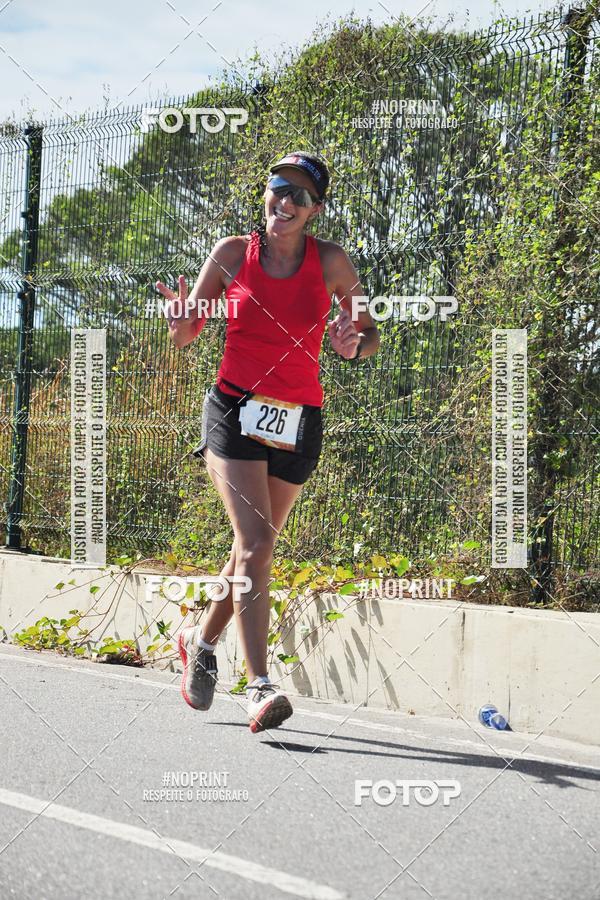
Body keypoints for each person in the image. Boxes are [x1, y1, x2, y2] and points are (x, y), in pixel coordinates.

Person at [156, 151, 380, 733]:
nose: (285, 201)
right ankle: (258, 685)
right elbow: (187, 335)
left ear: (315, 210)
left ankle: (199, 641)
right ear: (267, 193)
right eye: (278, 188)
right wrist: (180, 319)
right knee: (256, 542)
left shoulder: (332, 263)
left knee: (249, 553)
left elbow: (369, 335)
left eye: (299, 196)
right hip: (234, 411)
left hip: (299, 419)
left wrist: (352, 344)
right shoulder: (233, 254)